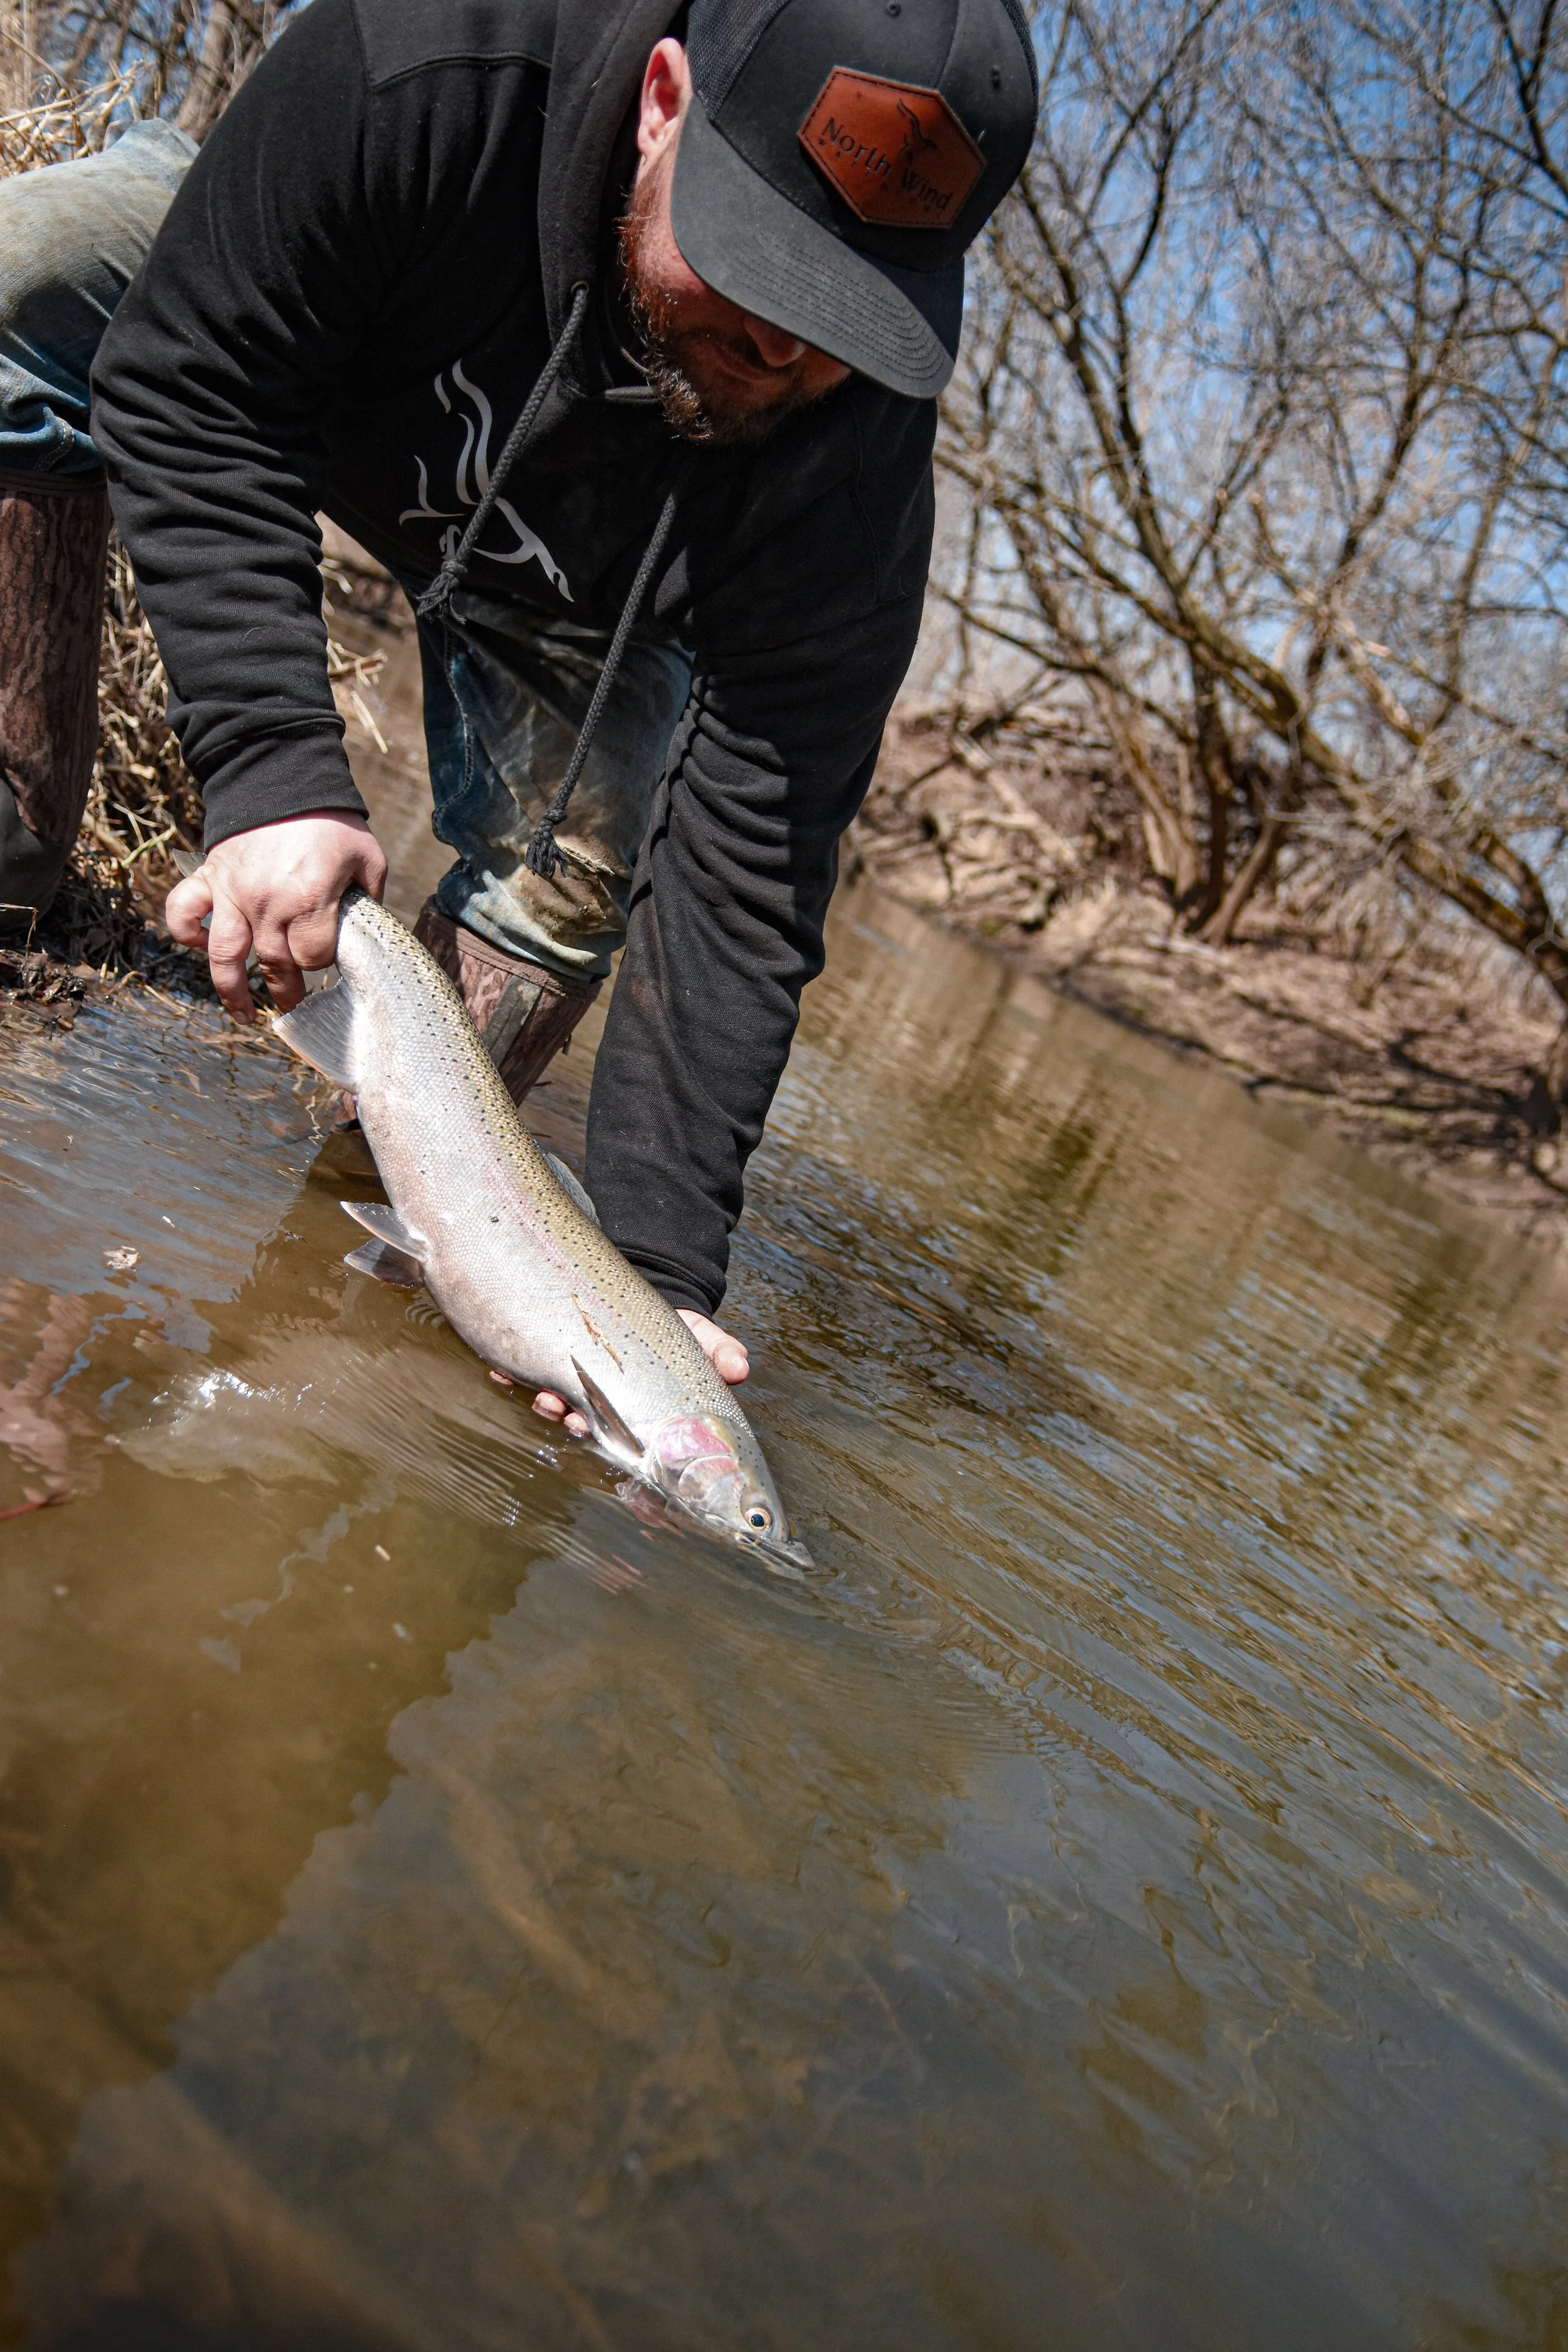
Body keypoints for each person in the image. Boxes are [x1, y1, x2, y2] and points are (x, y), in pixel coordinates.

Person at [0, 0, 1037, 1421]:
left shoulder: (852, 471)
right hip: (305, 330)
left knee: (578, 874)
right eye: (755, 266)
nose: (782, 351)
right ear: (660, 101)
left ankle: (366, 1256)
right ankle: (11, 889)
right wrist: (272, 771)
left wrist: (654, 1271)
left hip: (562, 579)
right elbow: (196, 380)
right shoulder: (426, 55)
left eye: (840, 313)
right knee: (12, 281)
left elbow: (749, 859)